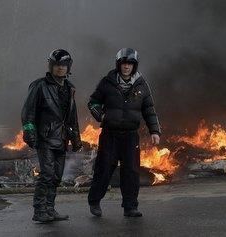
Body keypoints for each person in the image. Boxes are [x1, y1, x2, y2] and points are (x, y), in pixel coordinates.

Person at [87, 48, 161, 217]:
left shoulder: (142, 85)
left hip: (130, 135)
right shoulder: (107, 82)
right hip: (110, 134)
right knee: (104, 168)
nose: (126, 67)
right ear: (118, 64)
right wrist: (100, 114)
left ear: (134, 66)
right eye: (124, 64)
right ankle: (94, 202)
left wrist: (154, 131)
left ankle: (130, 207)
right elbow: (93, 102)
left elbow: (149, 110)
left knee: (131, 171)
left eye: (130, 64)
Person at [21, 49, 83, 223]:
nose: (60, 68)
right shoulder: (39, 86)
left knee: (56, 176)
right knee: (47, 174)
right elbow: (28, 112)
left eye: (63, 65)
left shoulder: (69, 88)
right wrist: (29, 132)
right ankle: (39, 211)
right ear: (51, 66)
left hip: (62, 139)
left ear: (68, 67)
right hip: (45, 138)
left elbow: (72, 117)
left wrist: (76, 140)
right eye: (56, 65)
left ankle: (50, 209)